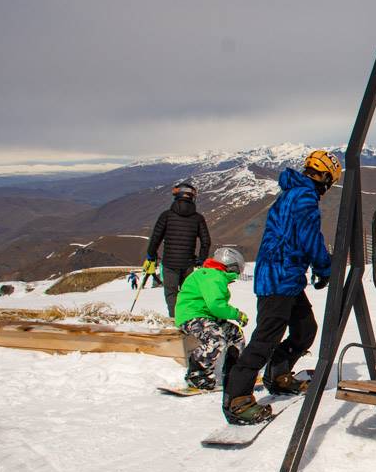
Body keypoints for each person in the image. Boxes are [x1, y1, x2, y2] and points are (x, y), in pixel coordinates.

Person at [221, 150, 341, 424]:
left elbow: (297, 237)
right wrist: (325, 267)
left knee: (305, 329)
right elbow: (310, 238)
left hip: (285, 277)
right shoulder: (305, 198)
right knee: (266, 338)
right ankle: (237, 398)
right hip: (279, 278)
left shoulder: (292, 193)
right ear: (325, 177)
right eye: (330, 181)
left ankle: (278, 374)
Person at [174, 247, 250, 390]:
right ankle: (197, 375)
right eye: (237, 269)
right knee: (216, 339)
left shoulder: (213, 274)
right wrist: (237, 314)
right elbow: (216, 305)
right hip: (192, 316)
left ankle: (234, 370)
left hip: (205, 316)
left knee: (235, 334)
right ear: (230, 266)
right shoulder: (213, 276)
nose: (237, 274)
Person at [144, 182, 211, 317]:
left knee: (171, 294)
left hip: (169, 263)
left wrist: (151, 255)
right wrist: (201, 259)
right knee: (187, 294)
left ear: (176, 196)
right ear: (192, 197)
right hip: (188, 263)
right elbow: (206, 241)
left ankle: (175, 319)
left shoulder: (166, 216)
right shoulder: (198, 218)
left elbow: (156, 238)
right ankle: (188, 320)